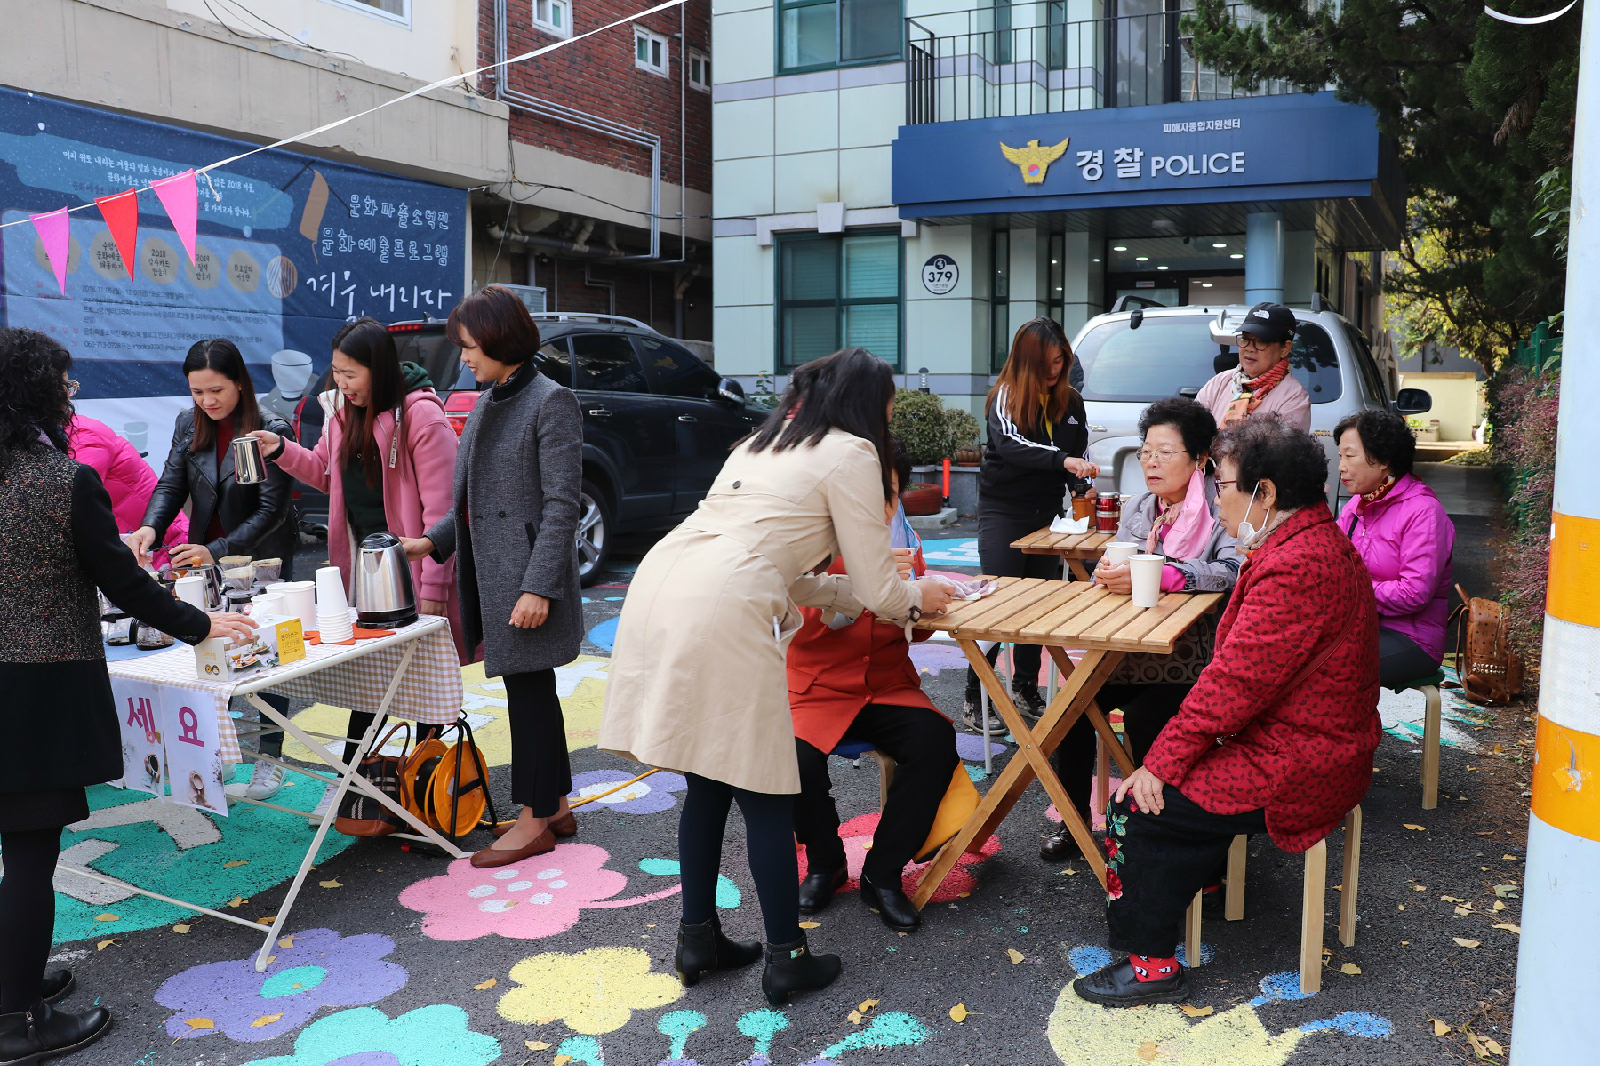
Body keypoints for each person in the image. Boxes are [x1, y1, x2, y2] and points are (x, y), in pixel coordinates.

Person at [599, 348, 954, 1007]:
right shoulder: (851, 453)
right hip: (726, 606)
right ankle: (787, 958)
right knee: (764, 785)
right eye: (886, 403)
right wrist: (918, 595)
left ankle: (698, 938)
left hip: (661, 585)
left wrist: (861, 592)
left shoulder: (760, 444)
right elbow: (880, 589)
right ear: (864, 403)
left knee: (706, 781)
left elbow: (789, 571)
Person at [0, 328, 254, 1063]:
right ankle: (14, 1024)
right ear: (37, 392)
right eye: (63, 383)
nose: (70, 393)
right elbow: (128, 585)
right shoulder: (62, 480)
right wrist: (204, 624)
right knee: (28, 853)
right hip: (36, 690)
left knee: (14, 849)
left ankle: (12, 978)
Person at [1074, 416, 1379, 1007]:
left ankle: (1151, 963)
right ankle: (1198, 876)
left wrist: (1158, 767)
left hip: (1305, 759)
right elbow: (1238, 682)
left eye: (1224, 485)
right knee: (1165, 755)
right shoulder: (1309, 539)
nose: (1218, 498)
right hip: (1314, 739)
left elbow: (1232, 684)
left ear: (1264, 493)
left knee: (1139, 804)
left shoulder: (1296, 565)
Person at [401, 288, 583, 869]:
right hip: (496, 577)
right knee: (530, 693)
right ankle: (552, 807)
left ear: (502, 341)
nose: (465, 360)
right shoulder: (485, 401)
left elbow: (562, 506)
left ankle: (534, 822)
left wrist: (539, 587)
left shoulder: (551, 402)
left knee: (529, 697)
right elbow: (471, 503)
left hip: (527, 581)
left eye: (471, 348)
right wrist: (430, 542)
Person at [250, 318, 464, 784]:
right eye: (336, 373)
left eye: (352, 374)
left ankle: (419, 786)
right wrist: (281, 450)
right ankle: (355, 784)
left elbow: (443, 514)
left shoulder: (422, 416)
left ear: (379, 368)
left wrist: (434, 590)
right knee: (371, 687)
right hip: (365, 572)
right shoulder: (342, 413)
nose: (342, 384)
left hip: (413, 571)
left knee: (422, 685)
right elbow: (325, 472)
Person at [1039, 398, 1243, 861]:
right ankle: (1073, 824)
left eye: (1166, 452)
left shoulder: (1219, 506)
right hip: (1124, 655)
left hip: (1188, 659)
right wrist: (1108, 573)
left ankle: (1158, 835)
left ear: (1199, 458)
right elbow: (1114, 559)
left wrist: (1169, 572)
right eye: (1146, 451)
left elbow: (1231, 569)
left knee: (1148, 720)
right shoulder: (1142, 508)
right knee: (1067, 712)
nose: (1151, 462)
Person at [789, 441, 959, 933]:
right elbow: (799, 628)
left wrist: (924, 603)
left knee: (933, 741)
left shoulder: (903, 541)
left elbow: (917, 630)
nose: (877, 506)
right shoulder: (807, 545)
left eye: (887, 494)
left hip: (885, 684)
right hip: (815, 684)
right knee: (793, 755)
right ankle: (826, 862)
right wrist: (867, 589)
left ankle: (883, 872)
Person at [129, 339, 298, 800]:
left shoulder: (269, 428)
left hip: (262, 560)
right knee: (211, 650)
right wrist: (150, 527)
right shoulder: (190, 423)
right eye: (197, 392)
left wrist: (215, 549)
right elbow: (170, 481)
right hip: (209, 557)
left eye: (216, 390)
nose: (207, 401)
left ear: (240, 383)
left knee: (266, 658)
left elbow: (271, 512)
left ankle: (272, 759)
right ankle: (210, 755)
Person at [968, 317, 1100, 730]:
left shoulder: (1072, 401)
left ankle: (1026, 690)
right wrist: (1063, 460)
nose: (1054, 370)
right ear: (1026, 361)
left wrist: (1082, 489)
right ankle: (979, 699)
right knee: (996, 605)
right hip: (1003, 511)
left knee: (1039, 607)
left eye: (1060, 360)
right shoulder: (1004, 396)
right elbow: (1011, 446)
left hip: (1049, 516)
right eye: (1046, 361)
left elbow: (1078, 453)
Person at [1335, 409, 1455, 685]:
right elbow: (1332, 561)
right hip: (1361, 624)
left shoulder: (1423, 512)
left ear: (1383, 460)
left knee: (1327, 668)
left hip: (1412, 640)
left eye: (1350, 456)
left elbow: (1414, 593)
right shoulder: (1357, 505)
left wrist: (1352, 589)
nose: (1341, 466)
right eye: (1340, 456)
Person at [1195, 302, 1311, 433]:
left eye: (1261, 341)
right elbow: (1192, 432)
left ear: (1285, 348)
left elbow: (1280, 451)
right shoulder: (1220, 383)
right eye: (1245, 339)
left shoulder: (1293, 398)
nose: (1249, 348)